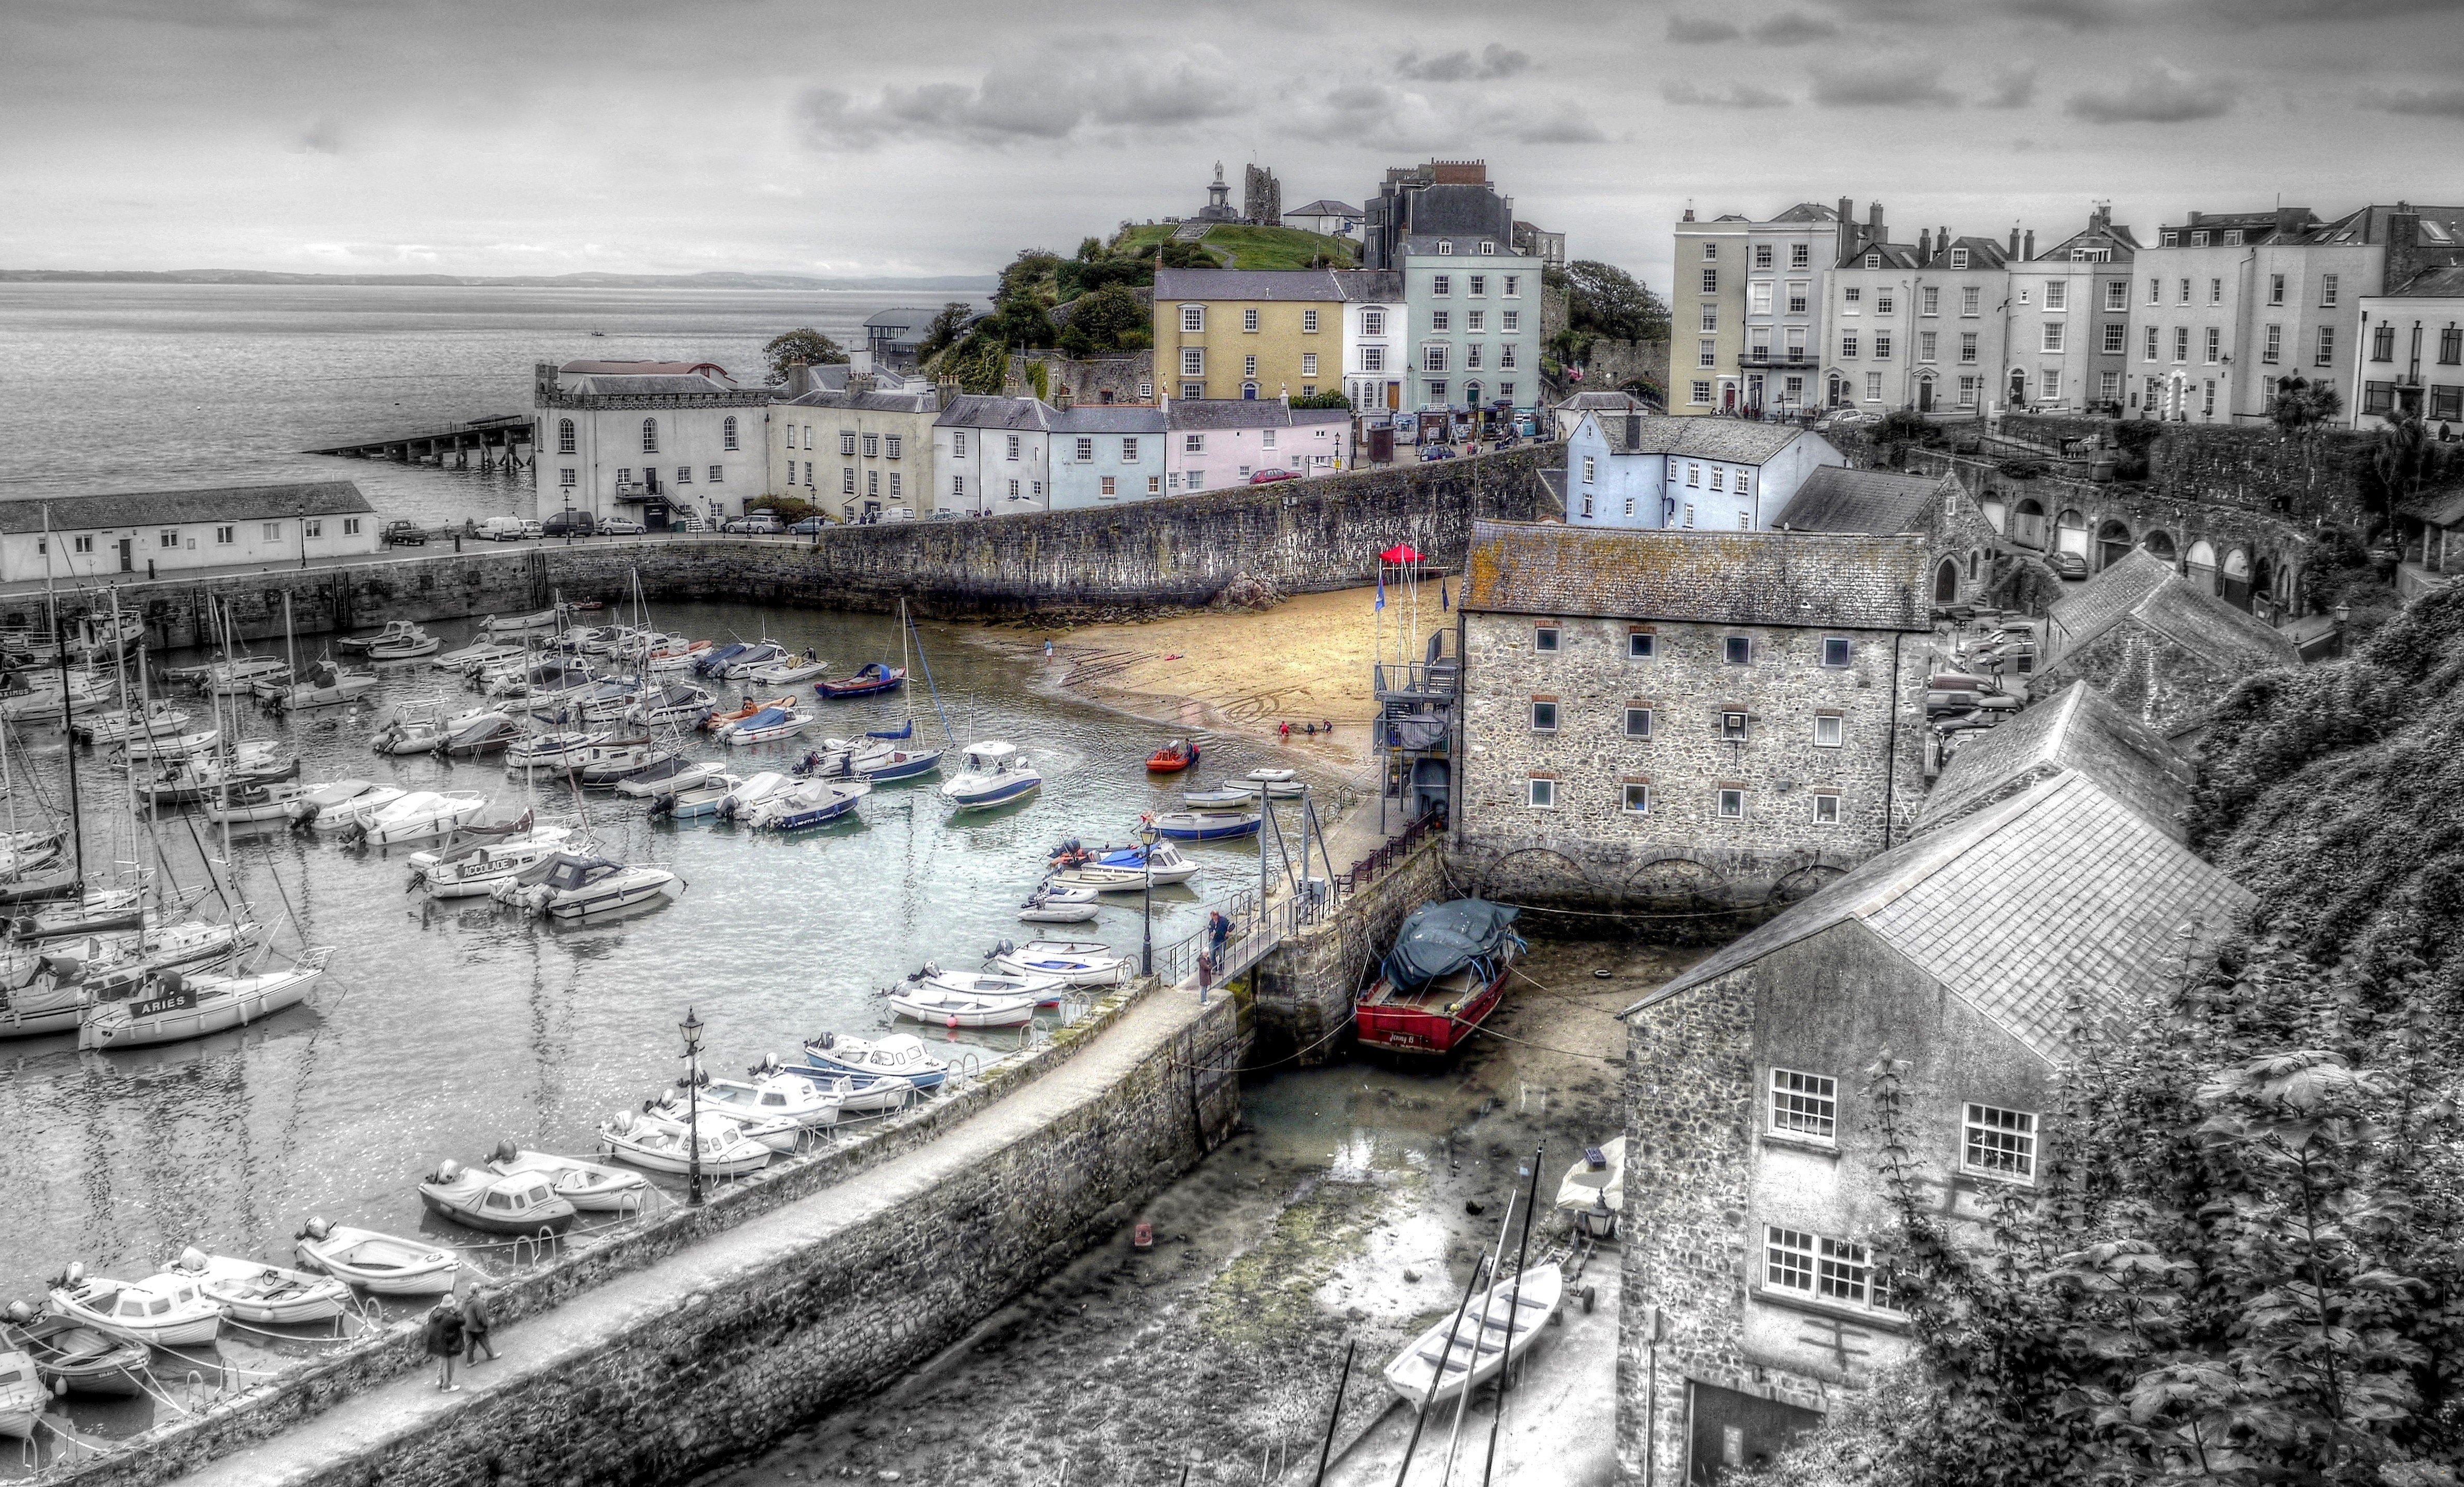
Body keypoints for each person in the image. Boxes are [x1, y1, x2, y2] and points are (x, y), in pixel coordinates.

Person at [425, 1297, 465, 1392]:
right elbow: (462, 1321)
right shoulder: (449, 1318)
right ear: (450, 1306)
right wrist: (456, 1311)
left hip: (437, 1344)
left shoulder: (435, 1313)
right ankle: (447, 1386)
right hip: (449, 1345)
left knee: (443, 1362)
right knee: (450, 1366)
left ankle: (439, 1380)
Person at [462, 1288, 497, 1366]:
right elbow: (481, 1317)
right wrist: (486, 1325)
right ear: (477, 1291)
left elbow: (462, 1311)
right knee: (485, 1341)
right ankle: (491, 1356)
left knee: (470, 1344)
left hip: (467, 1326)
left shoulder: (465, 1300)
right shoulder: (478, 1302)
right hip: (477, 1327)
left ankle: (470, 1362)